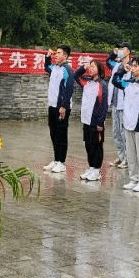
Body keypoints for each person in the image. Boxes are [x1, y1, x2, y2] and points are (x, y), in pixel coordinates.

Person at [111, 55, 139, 193]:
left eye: (136, 66)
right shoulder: (128, 83)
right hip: (128, 123)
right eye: (132, 65)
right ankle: (133, 178)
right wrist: (122, 70)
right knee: (131, 153)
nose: (133, 68)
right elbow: (115, 80)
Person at [73, 57, 109, 181]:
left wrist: (100, 122)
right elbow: (75, 76)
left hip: (96, 121)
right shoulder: (87, 82)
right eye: (90, 66)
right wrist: (84, 67)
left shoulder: (102, 84)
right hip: (86, 119)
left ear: (99, 69)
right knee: (88, 144)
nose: (90, 68)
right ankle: (91, 167)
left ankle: (97, 170)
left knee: (97, 145)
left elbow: (104, 105)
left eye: (93, 66)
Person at [43, 45, 75, 173]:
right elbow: (46, 67)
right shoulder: (54, 68)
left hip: (62, 107)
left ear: (65, 56)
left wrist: (64, 106)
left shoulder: (67, 70)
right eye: (55, 53)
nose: (56, 55)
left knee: (61, 134)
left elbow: (69, 89)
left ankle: (62, 162)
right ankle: (56, 160)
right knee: (53, 133)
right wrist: (47, 57)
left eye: (59, 53)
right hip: (52, 105)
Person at [107, 43, 131, 169]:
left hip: (125, 105)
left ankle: (127, 158)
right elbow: (108, 61)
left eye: (123, 49)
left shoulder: (132, 66)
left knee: (123, 133)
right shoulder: (116, 65)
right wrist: (113, 53)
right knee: (116, 132)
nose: (121, 51)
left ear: (128, 52)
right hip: (115, 103)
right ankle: (121, 156)